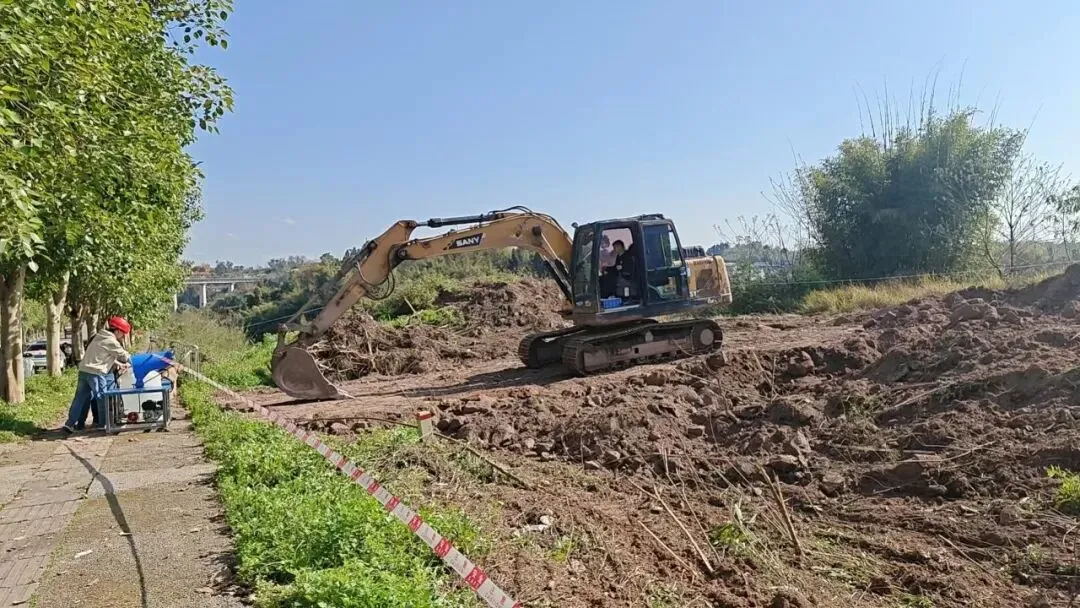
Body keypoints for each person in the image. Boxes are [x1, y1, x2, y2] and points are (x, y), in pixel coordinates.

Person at [62, 316, 132, 434]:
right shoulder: (112, 341)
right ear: (118, 331)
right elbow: (125, 356)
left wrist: (119, 363)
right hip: (96, 372)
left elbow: (101, 355)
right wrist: (133, 363)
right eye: (123, 334)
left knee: (79, 399)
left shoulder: (100, 336)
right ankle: (103, 425)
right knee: (101, 397)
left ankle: (69, 424)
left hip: (84, 371)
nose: (123, 336)